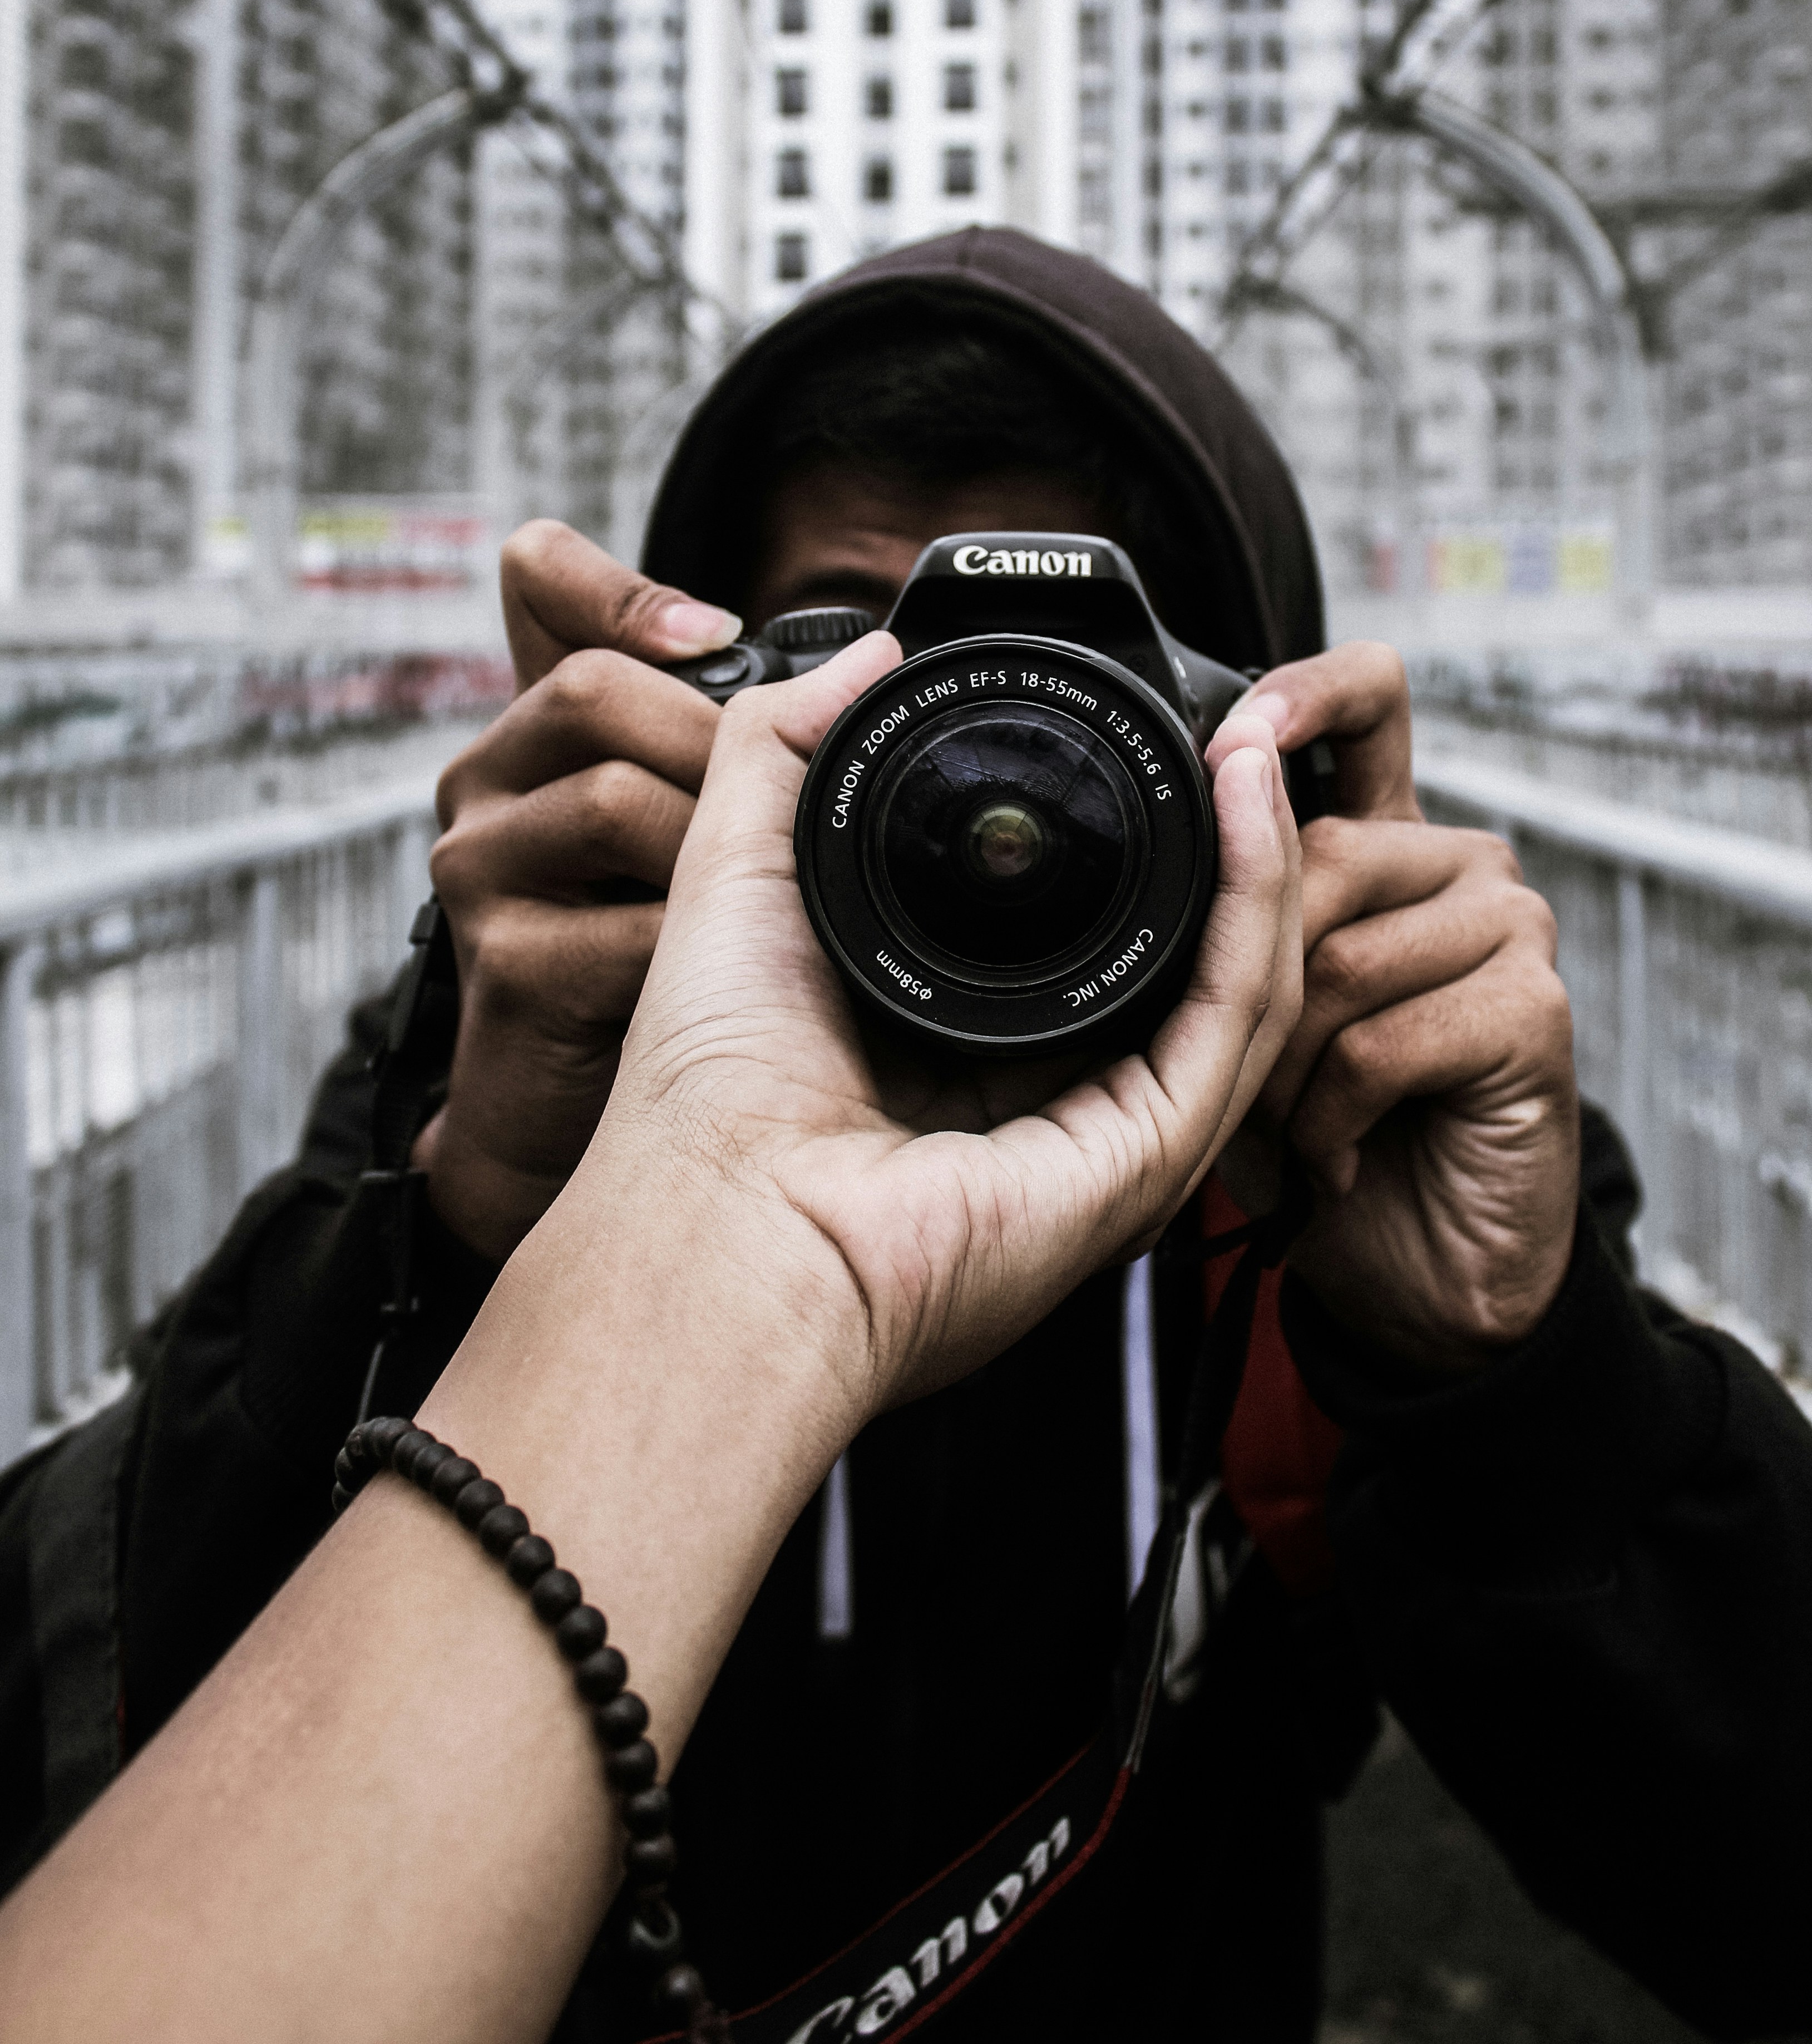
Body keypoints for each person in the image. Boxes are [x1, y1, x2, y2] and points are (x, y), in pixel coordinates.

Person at [3, 224, 1812, 2040]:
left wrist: (1514, 1383)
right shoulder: (534, 1075)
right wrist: (467, 1230)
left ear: (1244, 752)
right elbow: (83, 1771)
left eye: (1090, 707)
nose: (982, 785)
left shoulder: (1328, 1147)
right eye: (851, 662)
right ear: (704, 715)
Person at [0, 627, 1301, 2044]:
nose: (990, 761)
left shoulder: (1304, 1190)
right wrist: (501, 1217)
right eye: (879, 669)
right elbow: (84, 1692)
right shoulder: (512, 1050)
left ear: (1247, 783)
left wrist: (1505, 1356)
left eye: (1108, 688)